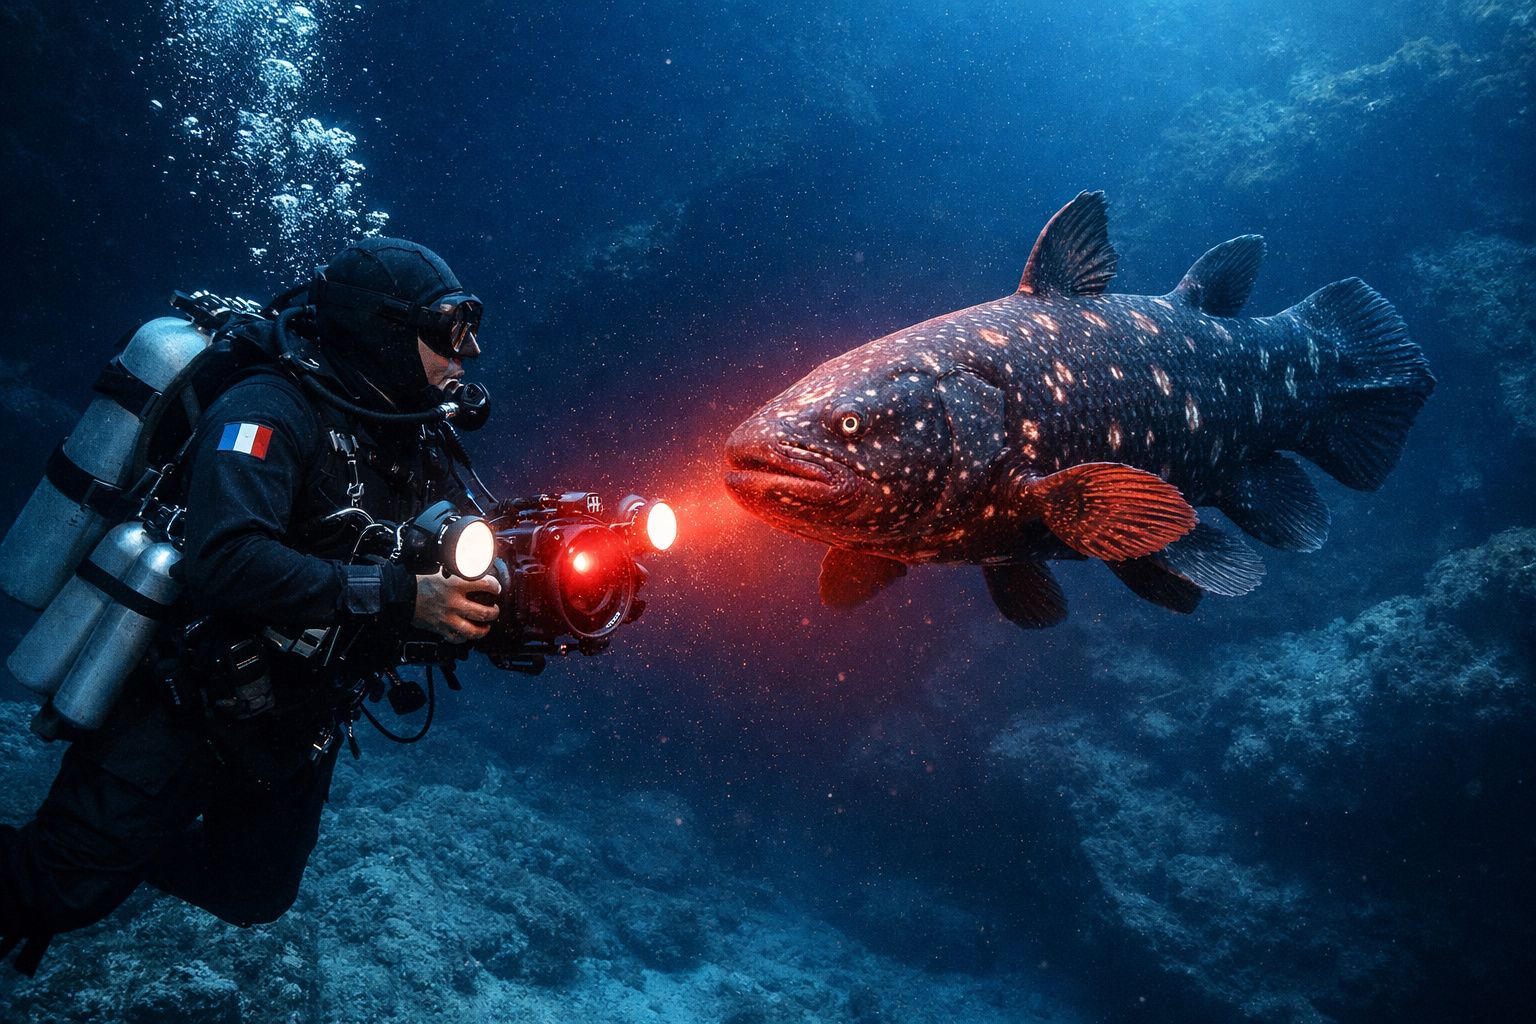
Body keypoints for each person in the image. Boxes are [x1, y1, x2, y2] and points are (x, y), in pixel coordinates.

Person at [0, 237, 502, 973]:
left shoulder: (412, 432)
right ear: (385, 328)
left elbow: (436, 552)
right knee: (53, 888)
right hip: (188, 700)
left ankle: (111, 855)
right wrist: (402, 597)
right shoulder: (265, 407)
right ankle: (73, 865)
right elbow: (228, 562)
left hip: (300, 714)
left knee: (253, 890)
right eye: (449, 330)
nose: (470, 352)